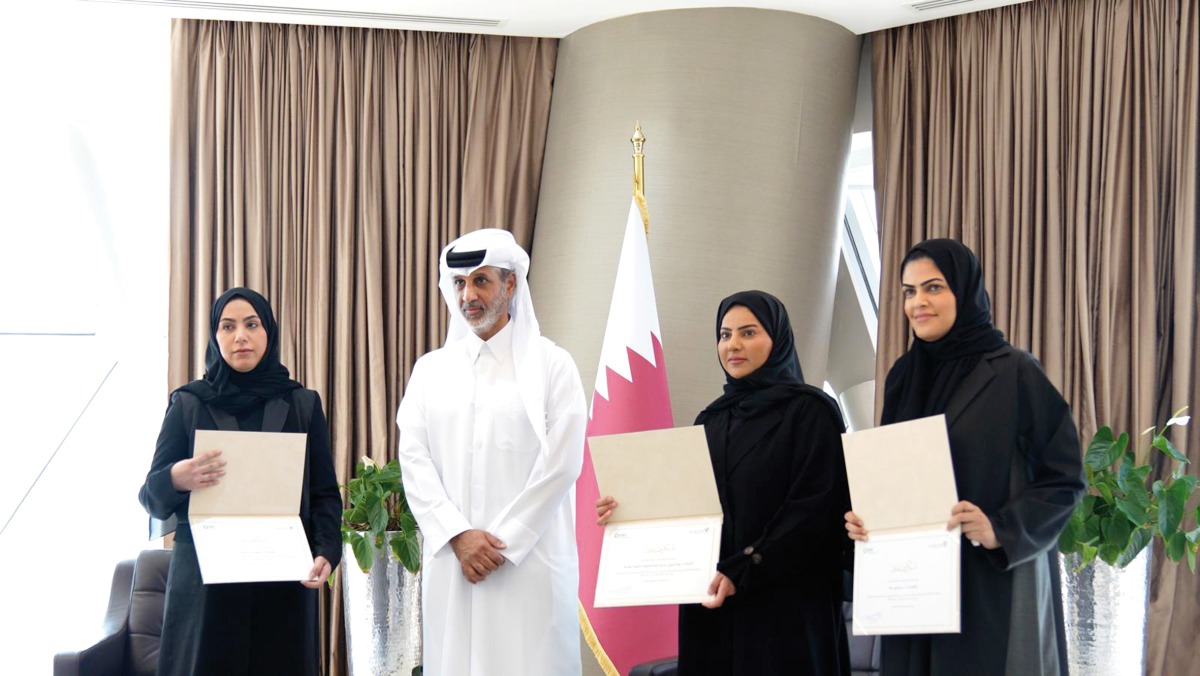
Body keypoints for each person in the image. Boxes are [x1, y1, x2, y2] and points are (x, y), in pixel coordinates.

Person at [844, 239, 1085, 676]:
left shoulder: (1013, 371)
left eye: (933, 287)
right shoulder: (903, 377)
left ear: (964, 291)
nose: (918, 302)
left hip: (987, 578)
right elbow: (893, 470)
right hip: (913, 585)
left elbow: (1065, 477)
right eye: (909, 291)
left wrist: (1001, 529)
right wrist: (869, 518)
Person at [597, 290, 852, 675]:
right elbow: (684, 505)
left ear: (777, 339)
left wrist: (747, 564)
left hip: (786, 607)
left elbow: (813, 508)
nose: (733, 345)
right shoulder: (711, 421)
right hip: (713, 602)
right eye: (724, 334)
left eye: (748, 333)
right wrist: (626, 512)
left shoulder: (811, 411)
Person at [396, 228, 587, 676]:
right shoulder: (430, 371)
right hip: (454, 565)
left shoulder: (553, 366)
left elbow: (562, 465)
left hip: (529, 567)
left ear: (511, 283)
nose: (468, 296)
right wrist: (458, 535)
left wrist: (502, 543)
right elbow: (414, 459)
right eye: (460, 283)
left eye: (481, 281)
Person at [138, 287, 342, 676]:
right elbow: (151, 497)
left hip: (281, 581)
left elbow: (324, 495)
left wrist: (326, 552)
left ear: (269, 332)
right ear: (215, 336)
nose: (240, 337)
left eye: (252, 324)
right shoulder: (188, 403)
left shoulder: (302, 404)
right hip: (204, 588)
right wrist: (177, 478)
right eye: (227, 326)